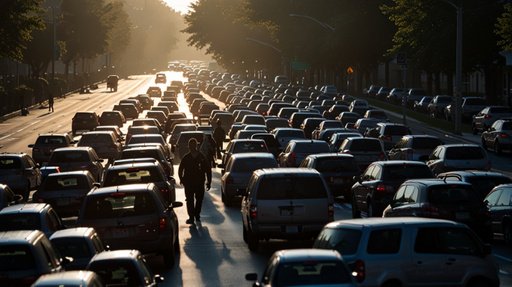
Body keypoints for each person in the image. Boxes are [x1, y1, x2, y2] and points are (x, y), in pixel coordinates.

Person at [178, 138, 212, 224]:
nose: (192, 147)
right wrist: (182, 179)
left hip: (199, 183)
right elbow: (180, 169)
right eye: (191, 145)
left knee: (198, 199)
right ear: (189, 146)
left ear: (195, 146)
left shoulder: (201, 157)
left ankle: (196, 215)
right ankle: (192, 216)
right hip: (189, 183)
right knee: (190, 200)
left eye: (193, 145)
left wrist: (209, 182)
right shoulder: (187, 158)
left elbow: (208, 170)